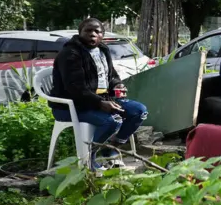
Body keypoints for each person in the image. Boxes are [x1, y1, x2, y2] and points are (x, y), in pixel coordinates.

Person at [50, 18, 148, 168]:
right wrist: (100, 103)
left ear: (102, 35)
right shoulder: (70, 53)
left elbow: (112, 75)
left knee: (138, 111)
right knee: (113, 120)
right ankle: (89, 158)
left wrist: (118, 84)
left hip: (100, 100)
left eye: (97, 31)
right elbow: (75, 88)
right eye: (88, 31)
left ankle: (110, 150)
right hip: (71, 105)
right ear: (80, 33)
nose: (93, 34)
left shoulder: (102, 50)